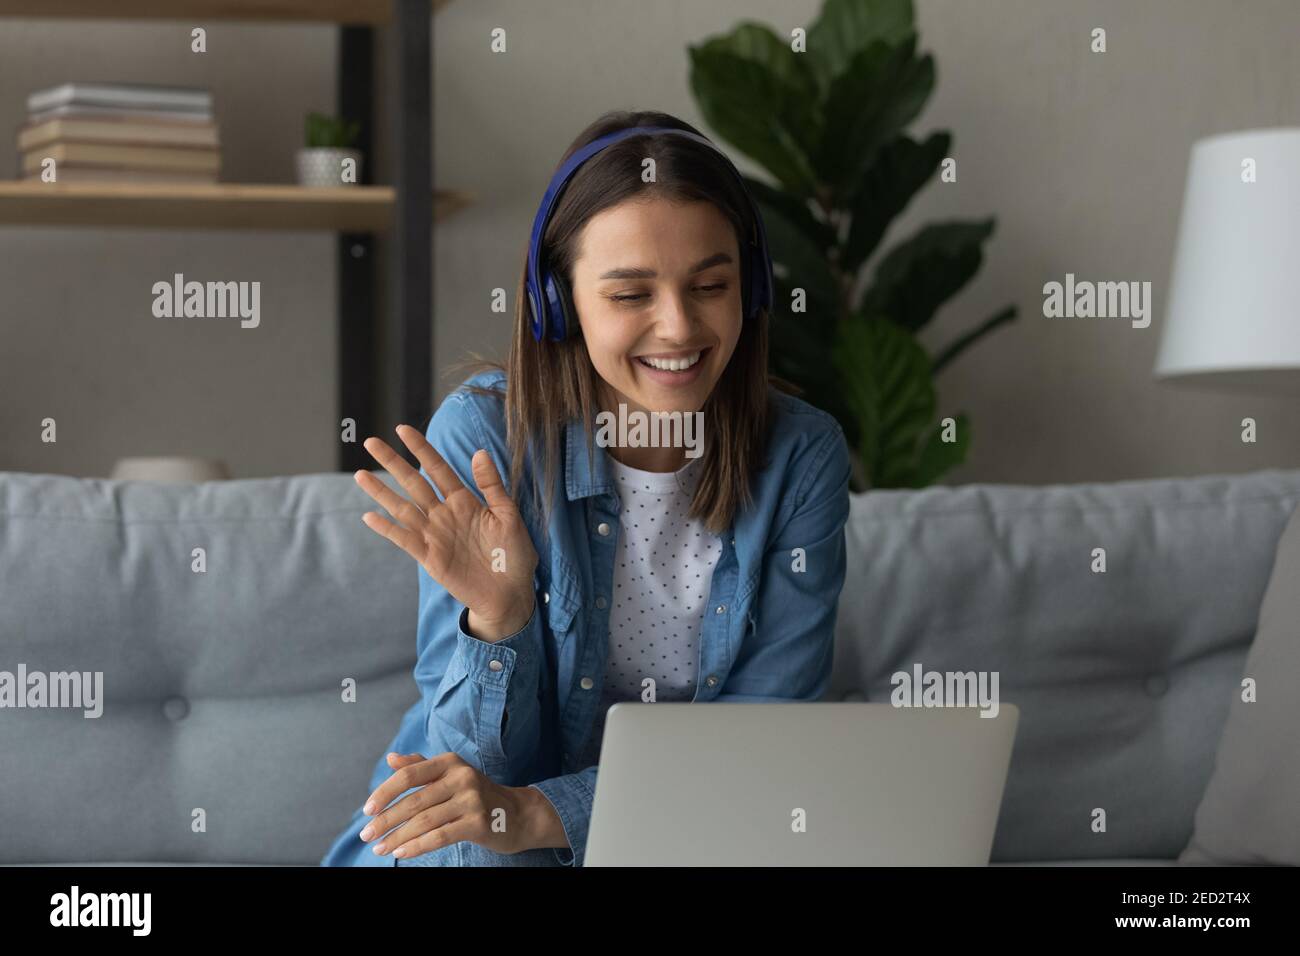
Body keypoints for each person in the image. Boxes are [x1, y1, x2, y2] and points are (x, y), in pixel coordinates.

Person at [320, 109, 850, 867]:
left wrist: (545, 813)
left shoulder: (803, 457)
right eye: (632, 295)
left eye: (710, 285)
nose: (679, 328)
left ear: (753, 289)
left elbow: (764, 746)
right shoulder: (484, 439)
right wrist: (497, 616)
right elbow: (474, 775)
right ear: (556, 302)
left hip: (676, 841)